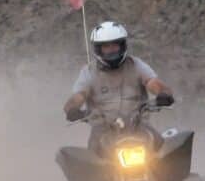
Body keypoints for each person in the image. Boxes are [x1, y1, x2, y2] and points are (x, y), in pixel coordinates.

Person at [63, 21, 174, 152]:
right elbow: (79, 95)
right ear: (98, 49)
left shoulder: (136, 65)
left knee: (162, 149)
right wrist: (72, 108)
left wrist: (163, 94)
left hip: (138, 126)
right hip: (103, 131)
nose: (111, 49)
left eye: (115, 45)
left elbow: (153, 83)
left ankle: (173, 173)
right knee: (92, 161)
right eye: (106, 46)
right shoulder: (89, 72)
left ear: (123, 45)